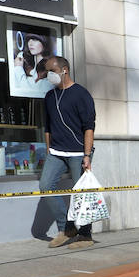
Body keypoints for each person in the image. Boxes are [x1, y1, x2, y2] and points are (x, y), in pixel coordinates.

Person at [40, 55, 97, 249]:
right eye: (47, 71)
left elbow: (89, 127)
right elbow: (47, 126)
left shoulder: (81, 94)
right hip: (56, 152)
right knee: (46, 185)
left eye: (52, 71)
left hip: (78, 152)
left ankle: (85, 235)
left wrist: (87, 155)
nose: (50, 75)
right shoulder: (49, 96)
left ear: (64, 70)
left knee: (81, 193)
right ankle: (67, 228)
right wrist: (48, 150)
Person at [11, 30, 54, 96]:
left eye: (35, 40)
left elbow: (30, 91)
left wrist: (18, 68)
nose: (30, 43)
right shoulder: (26, 63)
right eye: (29, 40)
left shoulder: (51, 69)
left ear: (44, 42)